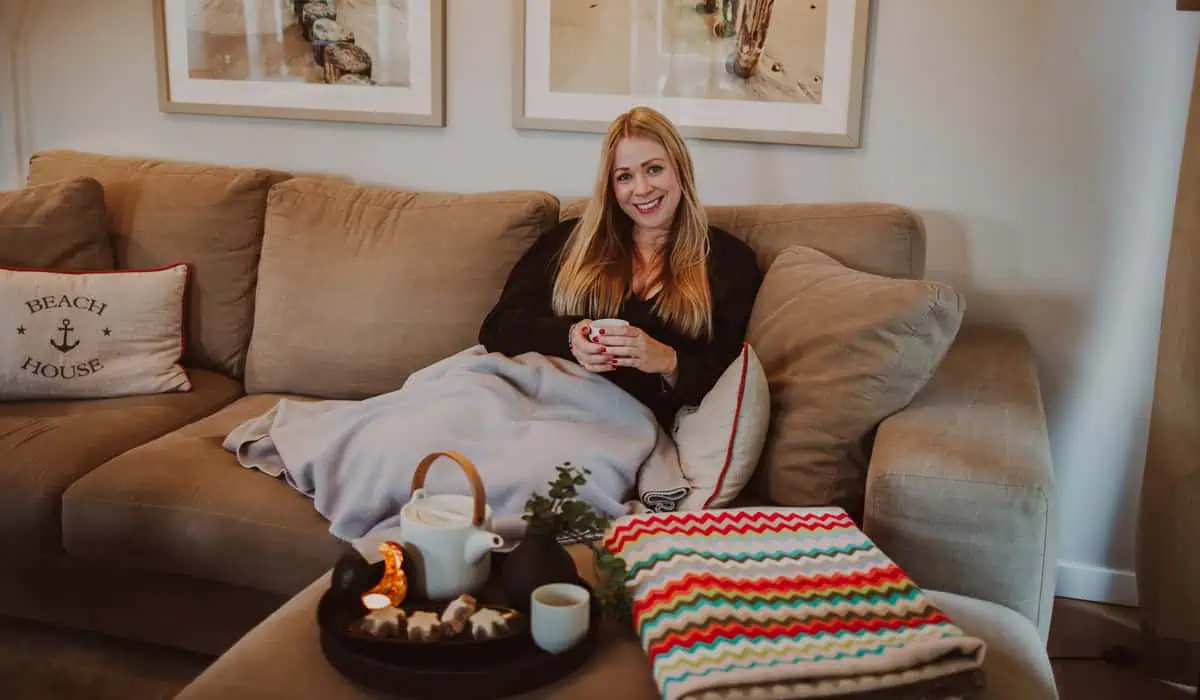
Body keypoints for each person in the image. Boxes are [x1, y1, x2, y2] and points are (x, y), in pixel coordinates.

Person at [478, 106, 763, 431]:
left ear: (680, 170)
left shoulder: (728, 262)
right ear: (611, 188)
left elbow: (727, 374)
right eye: (625, 176)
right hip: (527, 397)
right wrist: (569, 337)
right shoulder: (569, 242)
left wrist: (668, 361)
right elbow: (498, 327)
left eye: (654, 169)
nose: (641, 189)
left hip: (610, 424)